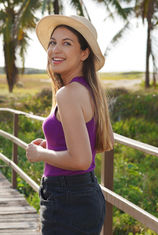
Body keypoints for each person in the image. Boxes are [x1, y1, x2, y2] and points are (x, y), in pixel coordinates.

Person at [26, 15, 114, 235]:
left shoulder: (68, 94)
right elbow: (91, 139)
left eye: (67, 43)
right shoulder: (88, 90)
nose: (56, 50)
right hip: (81, 195)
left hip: (68, 198)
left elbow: (81, 160)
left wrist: (40, 154)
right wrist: (53, 144)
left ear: (84, 53)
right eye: (53, 42)